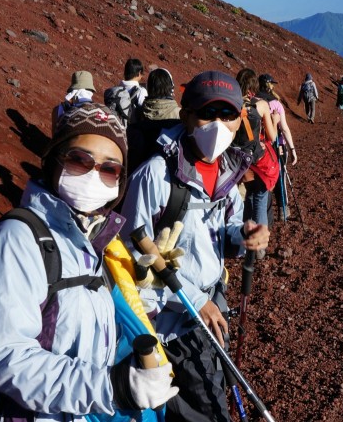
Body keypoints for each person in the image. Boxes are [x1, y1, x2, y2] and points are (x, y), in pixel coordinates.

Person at [0, 103, 177, 421]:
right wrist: (112, 388)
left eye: (110, 169)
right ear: (53, 161)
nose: (95, 174)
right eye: (80, 160)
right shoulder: (16, 241)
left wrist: (147, 289)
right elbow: (7, 358)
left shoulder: (93, 247)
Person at [121, 71, 270, 422]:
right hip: (173, 320)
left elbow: (227, 229)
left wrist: (244, 234)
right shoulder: (155, 176)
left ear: (238, 122)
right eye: (208, 114)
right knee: (208, 405)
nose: (218, 125)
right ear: (185, 114)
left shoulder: (226, 171)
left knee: (212, 384)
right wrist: (195, 299)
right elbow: (133, 254)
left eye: (228, 115)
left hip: (210, 303)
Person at [232, 69, 279, 252]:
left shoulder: (232, 104)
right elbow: (272, 136)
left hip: (237, 160)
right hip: (257, 158)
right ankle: (259, 247)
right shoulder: (261, 105)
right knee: (260, 196)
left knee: (249, 196)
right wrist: (275, 121)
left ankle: (245, 240)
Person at [127, 68, 181, 170]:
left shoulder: (137, 112)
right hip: (167, 172)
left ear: (149, 88)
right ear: (170, 88)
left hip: (137, 168)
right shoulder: (179, 115)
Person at [258, 73, 298, 167]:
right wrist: (292, 149)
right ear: (269, 86)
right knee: (279, 175)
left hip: (259, 146)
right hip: (276, 145)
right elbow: (284, 129)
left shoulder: (253, 101)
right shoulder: (276, 104)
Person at [104, 58, 148, 128]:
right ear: (139, 73)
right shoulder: (141, 91)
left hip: (115, 127)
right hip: (132, 131)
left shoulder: (115, 90)